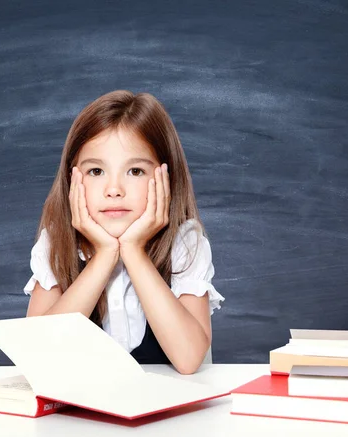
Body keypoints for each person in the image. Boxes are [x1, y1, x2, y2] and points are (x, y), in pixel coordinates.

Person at [23, 90, 224, 374]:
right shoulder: (55, 241)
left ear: (165, 178)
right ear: (72, 180)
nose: (114, 189)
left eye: (135, 172)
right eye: (96, 172)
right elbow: (37, 356)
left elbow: (189, 359)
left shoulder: (185, 242)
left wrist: (133, 250)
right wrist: (105, 255)